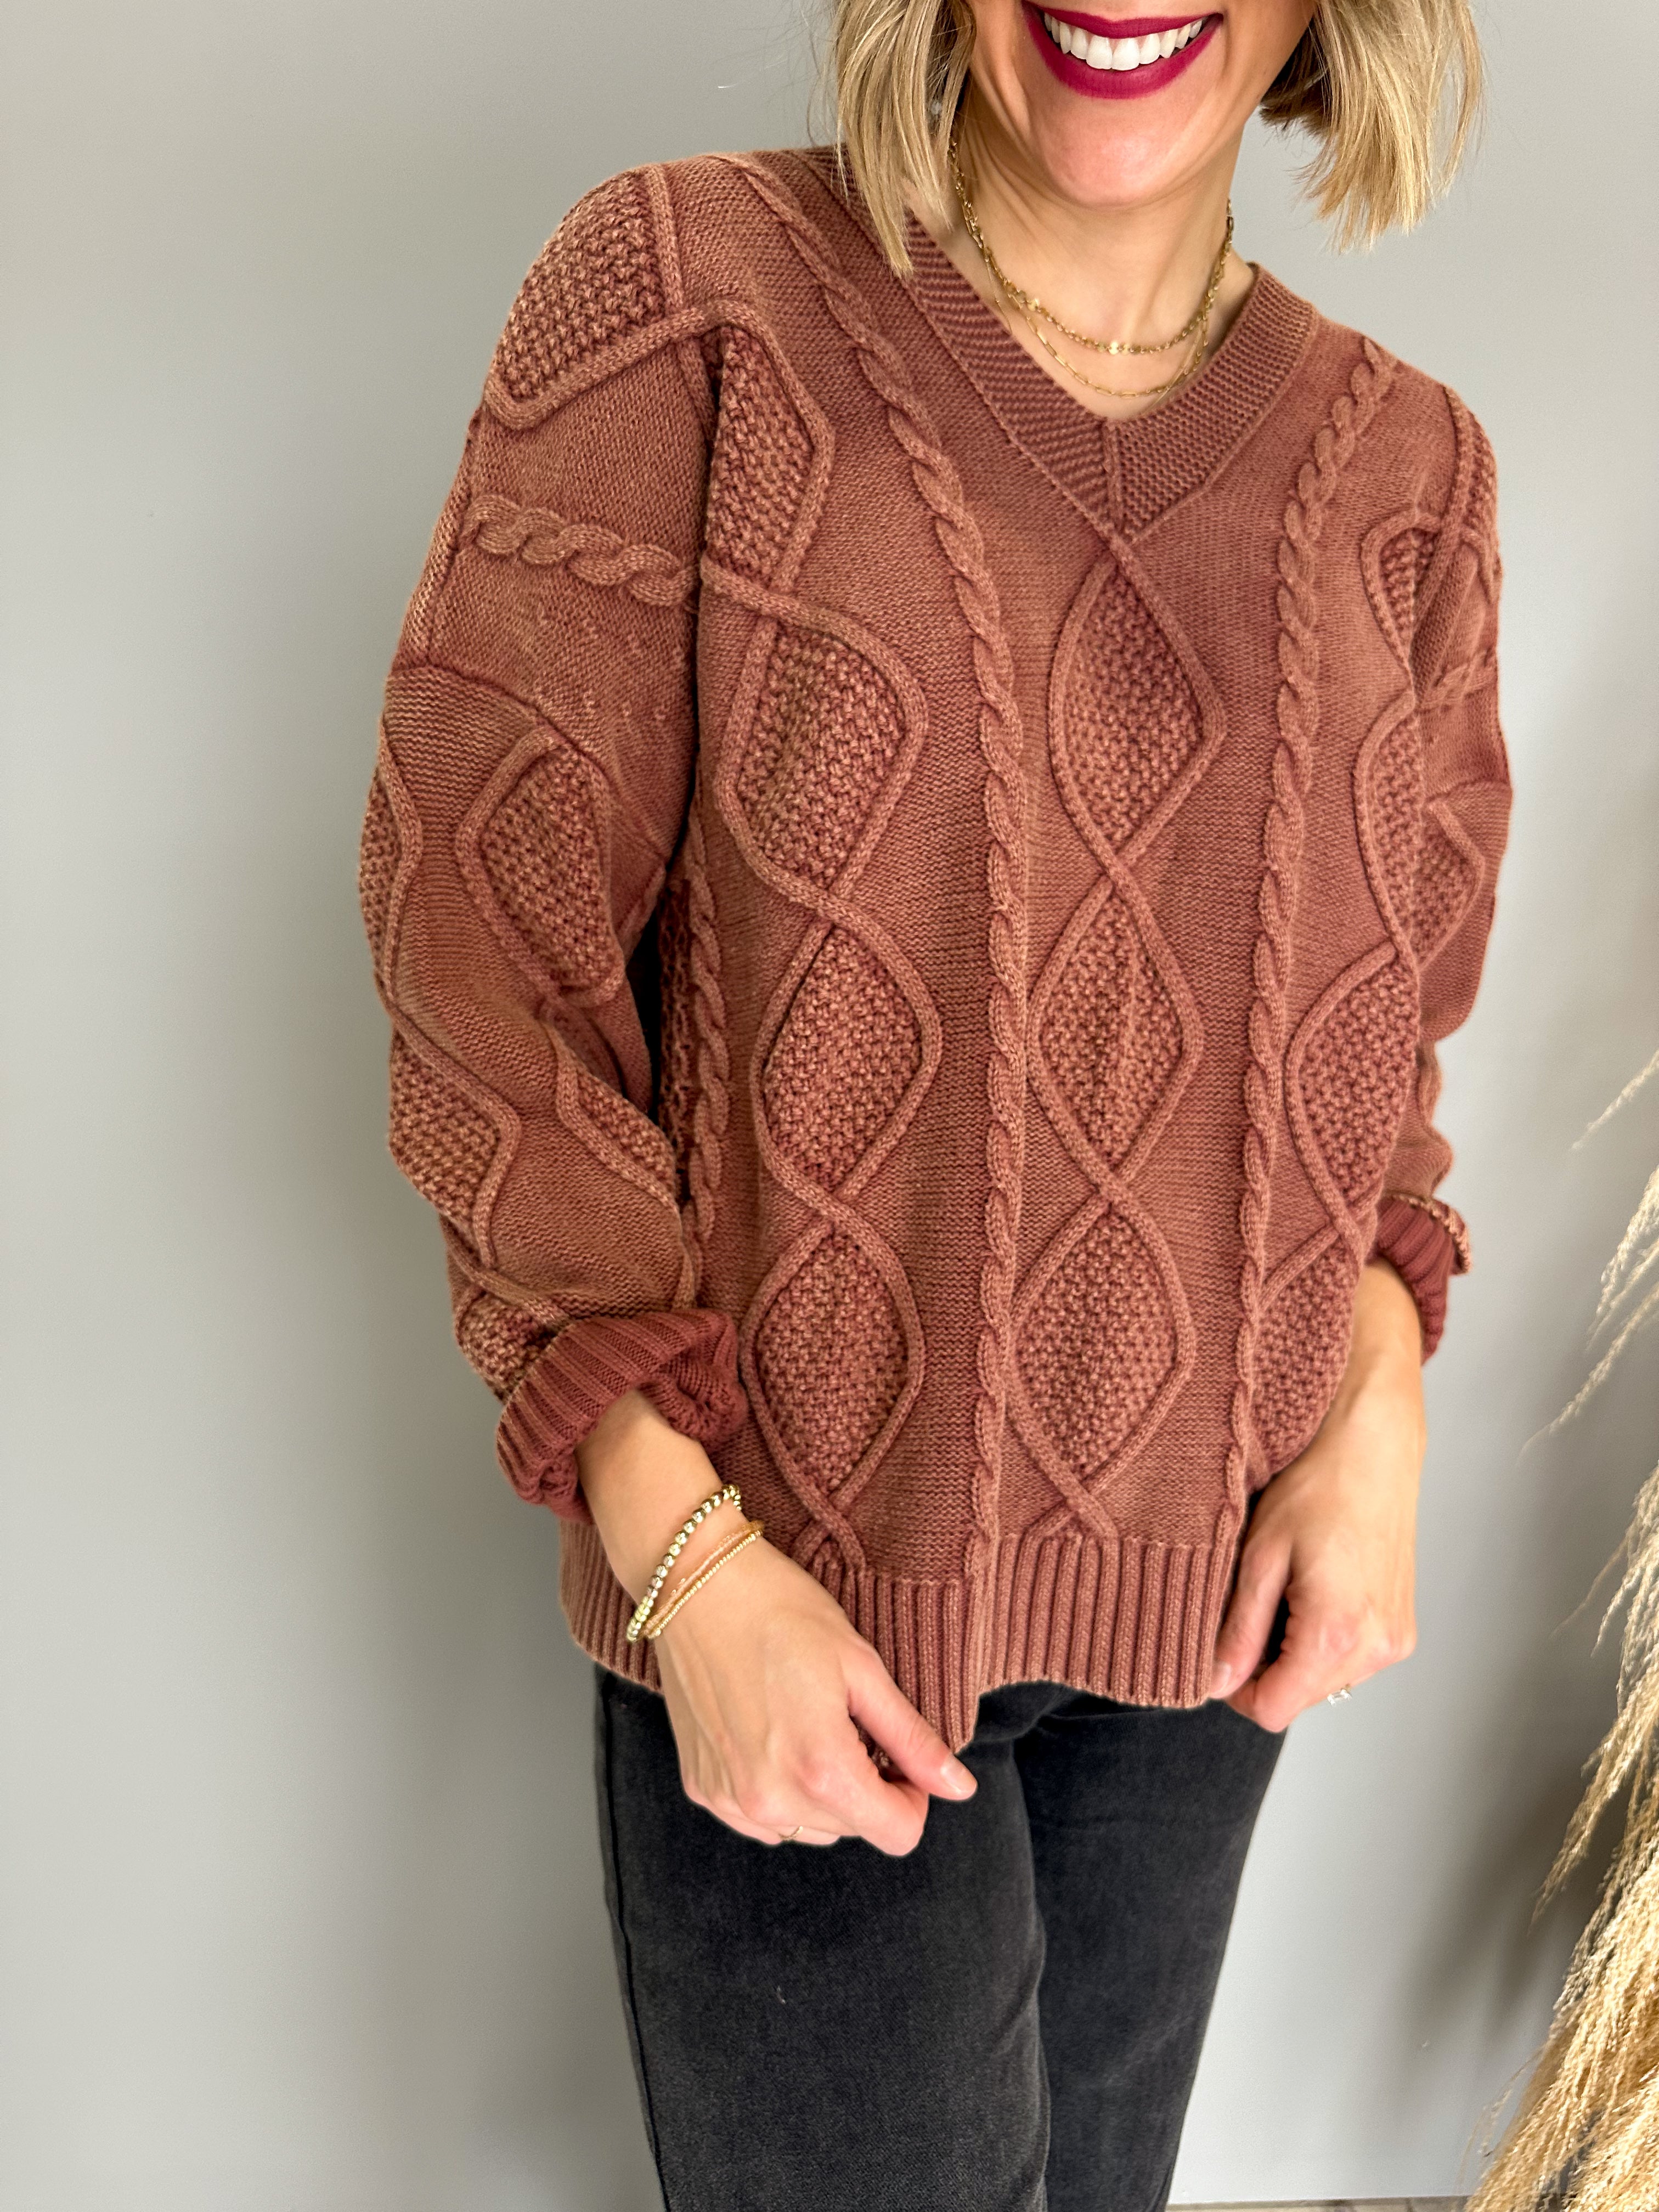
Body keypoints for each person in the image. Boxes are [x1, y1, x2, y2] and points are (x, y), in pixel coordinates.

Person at [359, 1, 1508, 2203]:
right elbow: (477, 941)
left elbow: (1378, 1061)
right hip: (797, 1612)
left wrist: (1381, 1407)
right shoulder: (693, 304)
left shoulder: (1412, 475)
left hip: (1207, 1643)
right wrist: (684, 1558)